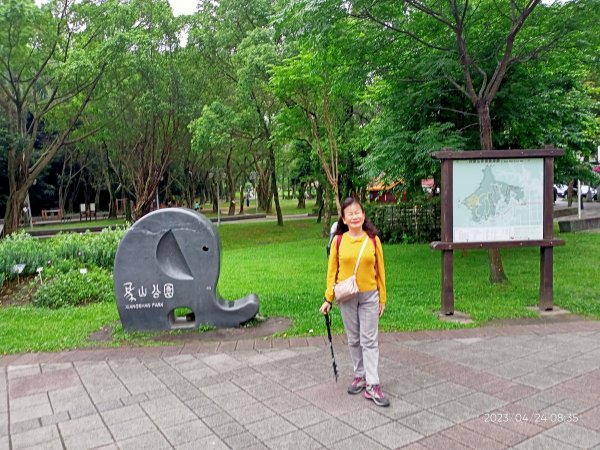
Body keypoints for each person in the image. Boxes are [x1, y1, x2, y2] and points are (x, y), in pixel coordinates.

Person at [319, 197, 389, 407]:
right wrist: (328, 299)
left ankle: (373, 384)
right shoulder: (339, 241)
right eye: (350, 213)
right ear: (344, 219)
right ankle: (359, 375)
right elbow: (332, 272)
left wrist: (382, 298)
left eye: (358, 212)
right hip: (347, 296)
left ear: (363, 215)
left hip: (369, 296)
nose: (355, 216)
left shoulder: (373, 240)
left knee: (369, 340)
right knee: (353, 338)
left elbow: (381, 272)